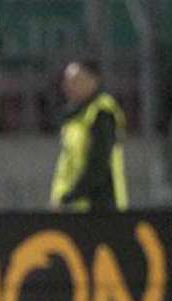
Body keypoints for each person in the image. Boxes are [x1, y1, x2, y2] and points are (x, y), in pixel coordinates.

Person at [50, 61, 128, 212]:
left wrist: (71, 196)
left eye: (76, 81)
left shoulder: (102, 112)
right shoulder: (73, 115)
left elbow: (98, 163)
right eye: (66, 81)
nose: (68, 86)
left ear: (93, 80)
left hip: (101, 206)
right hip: (76, 207)